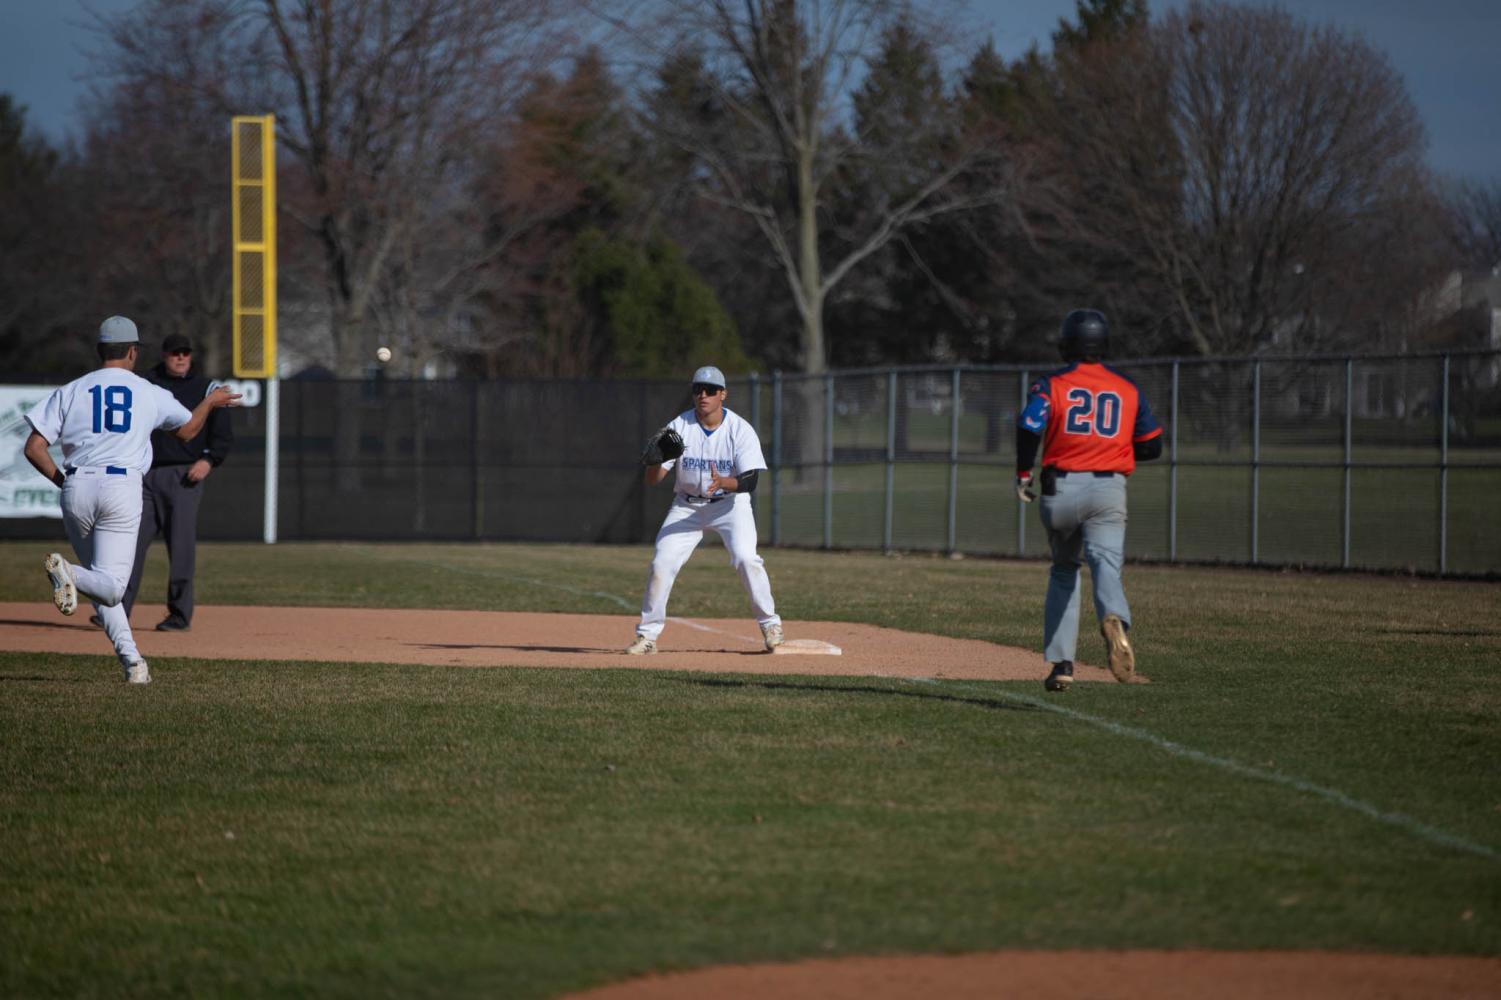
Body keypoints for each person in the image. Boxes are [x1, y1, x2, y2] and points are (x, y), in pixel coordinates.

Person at [23, 316, 240, 684]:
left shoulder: (73, 389)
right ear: (133, 352)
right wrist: (209, 403)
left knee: (101, 585)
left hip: (77, 486)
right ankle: (68, 571)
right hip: (121, 488)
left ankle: (133, 662)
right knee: (111, 587)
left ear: (99, 350)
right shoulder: (146, 390)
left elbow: (34, 448)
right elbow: (188, 432)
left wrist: (63, 481)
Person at [1014, 309, 1163, 693]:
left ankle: (1062, 664)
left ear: (1067, 344)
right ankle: (1115, 620)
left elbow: (1029, 424)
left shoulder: (1053, 385)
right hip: (1108, 489)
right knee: (1105, 565)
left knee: (1064, 570)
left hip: (1060, 489)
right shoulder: (1127, 389)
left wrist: (1022, 473)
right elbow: (1152, 446)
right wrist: (1111, 446)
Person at [626, 365, 783, 655]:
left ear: (723, 394)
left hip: (729, 506)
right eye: (698, 389)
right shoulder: (678, 428)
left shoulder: (739, 429)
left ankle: (771, 625)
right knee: (662, 563)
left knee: (746, 559)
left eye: (710, 390)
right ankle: (647, 637)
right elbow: (654, 480)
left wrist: (725, 482)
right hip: (686, 506)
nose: (703, 395)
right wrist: (653, 464)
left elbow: (751, 480)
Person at [106, 332, 235, 632]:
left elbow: (223, 434)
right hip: (144, 475)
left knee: (181, 547)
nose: (180, 358)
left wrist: (208, 460)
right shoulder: (146, 383)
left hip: (184, 476)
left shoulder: (205, 388)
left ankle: (179, 614)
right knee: (129, 545)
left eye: (186, 353)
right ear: (164, 355)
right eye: (175, 353)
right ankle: (115, 609)